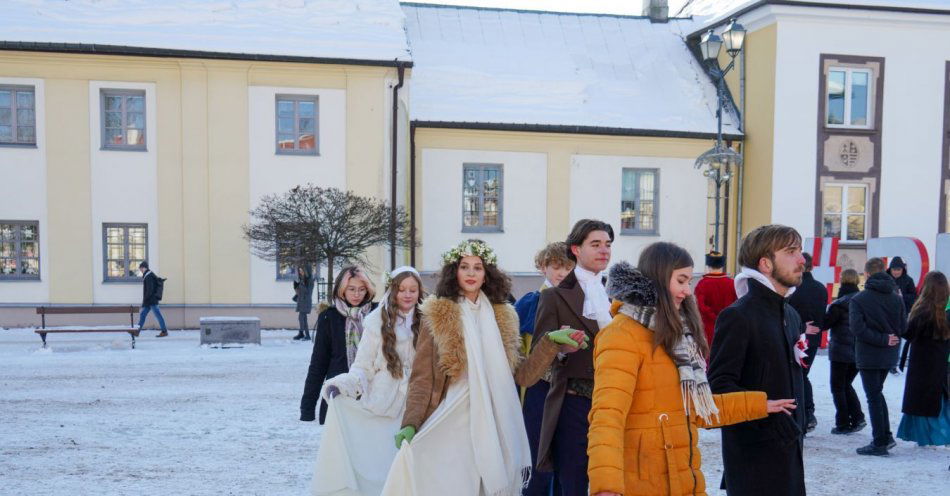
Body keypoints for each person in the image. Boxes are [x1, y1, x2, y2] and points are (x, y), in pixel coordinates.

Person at [381, 239, 588, 496]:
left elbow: (523, 375)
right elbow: (423, 377)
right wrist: (411, 422)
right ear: (454, 271)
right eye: (464, 266)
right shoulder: (438, 314)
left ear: (486, 273)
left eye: (477, 267)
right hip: (454, 414)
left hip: (497, 413)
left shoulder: (504, 315)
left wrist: (549, 343)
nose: (470, 273)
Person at [588, 244, 796, 496]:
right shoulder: (621, 335)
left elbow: (696, 408)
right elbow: (607, 417)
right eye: (681, 281)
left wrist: (759, 405)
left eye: (689, 281)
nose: (687, 291)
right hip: (642, 482)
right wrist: (606, 486)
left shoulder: (676, 335)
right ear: (659, 278)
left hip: (682, 478)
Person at [707, 224, 807, 496]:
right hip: (753, 459)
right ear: (765, 263)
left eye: (800, 250)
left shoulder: (791, 315)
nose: (802, 259)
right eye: (791, 252)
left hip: (789, 454)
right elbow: (719, 386)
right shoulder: (738, 316)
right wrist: (766, 411)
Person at [309, 266, 425, 496]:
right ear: (392, 290)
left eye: (413, 289)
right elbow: (362, 366)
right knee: (385, 464)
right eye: (402, 289)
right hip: (385, 402)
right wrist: (343, 385)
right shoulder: (375, 322)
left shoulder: (429, 321)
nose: (407, 294)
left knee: (418, 465)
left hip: (419, 402)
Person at [533, 219, 613, 495]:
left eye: (607, 245)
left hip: (614, 403)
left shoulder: (618, 295)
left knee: (611, 485)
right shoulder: (554, 297)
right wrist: (561, 351)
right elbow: (537, 361)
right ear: (576, 249)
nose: (604, 250)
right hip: (574, 403)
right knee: (574, 484)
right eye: (595, 244)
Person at [514, 242, 574, 496]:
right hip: (538, 387)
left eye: (568, 267)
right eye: (556, 267)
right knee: (537, 453)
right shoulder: (530, 302)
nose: (562, 273)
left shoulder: (580, 300)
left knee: (566, 456)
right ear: (543, 267)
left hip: (569, 387)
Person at [300, 266, 377, 424]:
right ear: (342, 290)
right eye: (351, 289)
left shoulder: (377, 314)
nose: (357, 294)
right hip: (338, 394)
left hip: (372, 394)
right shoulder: (329, 317)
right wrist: (307, 407)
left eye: (362, 289)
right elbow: (318, 364)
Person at [850, 257, 906, 456]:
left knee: (873, 396)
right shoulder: (896, 297)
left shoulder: (859, 299)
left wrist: (882, 339)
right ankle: (886, 436)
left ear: (866, 274)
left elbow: (857, 329)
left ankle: (880, 441)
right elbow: (903, 326)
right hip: (889, 353)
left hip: (869, 354)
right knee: (877, 393)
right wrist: (890, 339)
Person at [896, 271, 950, 447]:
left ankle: (926, 438)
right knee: (940, 400)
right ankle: (942, 436)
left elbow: (907, 332)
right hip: (942, 361)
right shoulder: (946, 311)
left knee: (921, 402)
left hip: (921, 363)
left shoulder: (922, 310)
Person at [822, 269, 866, 435]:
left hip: (840, 352)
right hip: (858, 350)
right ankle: (857, 417)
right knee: (847, 385)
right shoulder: (863, 301)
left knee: (838, 387)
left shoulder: (838, 304)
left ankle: (843, 423)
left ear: (841, 281)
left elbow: (825, 324)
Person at [788, 252, 828, 433]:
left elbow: (787, 314)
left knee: (797, 377)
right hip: (812, 339)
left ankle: (804, 414)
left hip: (795, 336)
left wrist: (802, 327)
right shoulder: (820, 288)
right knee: (803, 376)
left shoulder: (793, 286)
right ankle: (808, 414)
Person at [694, 250, 737, 348]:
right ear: (722, 265)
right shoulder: (733, 284)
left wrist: (714, 318)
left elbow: (700, 307)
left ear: (708, 265)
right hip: (729, 326)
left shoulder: (702, 284)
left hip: (708, 328)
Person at [888, 257, 918, 375]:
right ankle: (887, 362)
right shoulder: (885, 278)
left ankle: (893, 364)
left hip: (901, 315)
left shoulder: (908, 280)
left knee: (897, 339)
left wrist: (902, 297)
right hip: (886, 313)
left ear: (903, 269)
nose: (896, 272)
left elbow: (914, 297)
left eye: (898, 270)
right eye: (894, 269)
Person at [137, 261, 168, 338]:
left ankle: (164, 331)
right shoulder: (148, 275)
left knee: (157, 315)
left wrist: (145, 299)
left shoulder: (149, 276)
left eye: (140, 268)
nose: (140, 270)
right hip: (149, 300)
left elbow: (149, 290)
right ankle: (137, 331)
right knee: (143, 315)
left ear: (144, 267)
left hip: (151, 300)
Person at [294, 265, 316, 341]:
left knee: (301, 318)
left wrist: (301, 285)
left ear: (306, 272)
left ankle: (303, 333)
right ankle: (305, 334)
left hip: (306, 302)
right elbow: (300, 292)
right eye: (299, 271)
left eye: (302, 271)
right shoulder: (303, 279)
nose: (300, 272)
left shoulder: (310, 281)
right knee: (303, 319)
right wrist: (296, 287)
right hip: (301, 301)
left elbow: (307, 292)